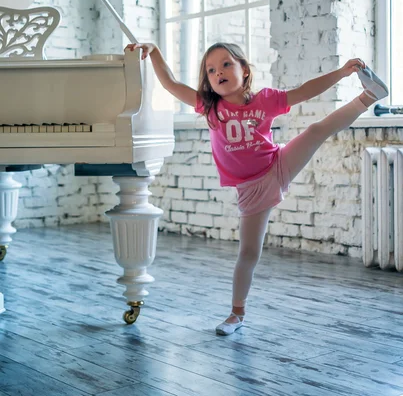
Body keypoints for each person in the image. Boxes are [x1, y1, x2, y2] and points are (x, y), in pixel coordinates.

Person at [125, 41, 388, 336]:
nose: (218, 72)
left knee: (315, 131)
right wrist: (156, 52)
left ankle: (369, 96)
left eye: (226, 64)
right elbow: (171, 83)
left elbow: (304, 91)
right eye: (211, 70)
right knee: (249, 253)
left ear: (245, 70)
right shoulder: (209, 106)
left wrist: (341, 73)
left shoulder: (265, 100)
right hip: (251, 189)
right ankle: (237, 314)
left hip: (277, 164)